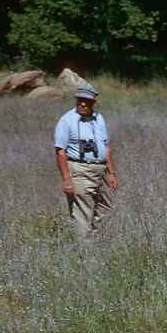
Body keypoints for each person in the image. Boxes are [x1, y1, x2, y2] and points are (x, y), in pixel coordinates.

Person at [54, 83, 118, 236]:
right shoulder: (67, 121)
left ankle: (99, 243)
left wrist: (111, 173)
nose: (82, 104)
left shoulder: (98, 119)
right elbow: (60, 151)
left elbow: (106, 146)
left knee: (107, 209)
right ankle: (85, 254)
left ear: (93, 102)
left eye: (86, 101)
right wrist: (67, 179)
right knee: (82, 214)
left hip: (101, 171)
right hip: (80, 170)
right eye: (79, 100)